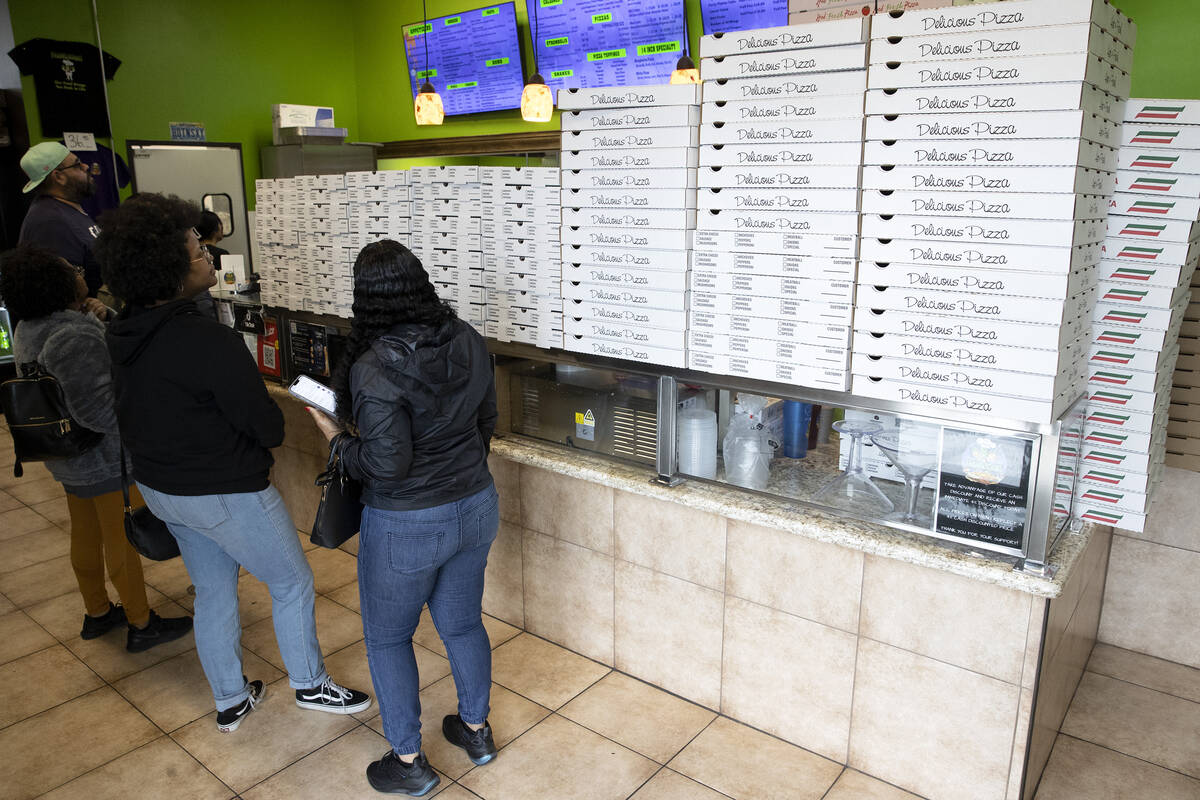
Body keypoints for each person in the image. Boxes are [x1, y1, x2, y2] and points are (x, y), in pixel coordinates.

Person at [96, 193, 371, 733]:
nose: (208, 257)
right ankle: (312, 686)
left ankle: (230, 698)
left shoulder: (122, 334)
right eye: (197, 250)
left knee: (214, 590)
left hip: (161, 489)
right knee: (291, 582)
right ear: (171, 273)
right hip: (225, 491)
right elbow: (265, 427)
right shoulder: (207, 341)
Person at [308, 239, 500, 796]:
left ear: (366, 300)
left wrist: (334, 436)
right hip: (476, 505)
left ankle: (410, 761)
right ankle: (475, 731)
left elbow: (386, 467)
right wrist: (457, 473)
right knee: (463, 623)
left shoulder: (373, 367)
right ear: (420, 282)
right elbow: (486, 421)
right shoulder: (466, 337)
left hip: (408, 524)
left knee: (389, 639)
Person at [0, 244, 193, 652]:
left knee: (86, 533)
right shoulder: (72, 334)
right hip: (103, 459)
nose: (77, 268)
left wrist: (100, 319)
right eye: (68, 266)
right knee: (124, 535)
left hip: (65, 454)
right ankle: (142, 623)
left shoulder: (30, 327)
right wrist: (141, 427)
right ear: (55, 283)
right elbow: (96, 408)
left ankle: (98, 611)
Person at [18, 142, 103, 299]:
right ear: (59, 177)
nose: (85, 166)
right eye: (77, 165)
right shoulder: (49, 223)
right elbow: (62, 294)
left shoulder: (67, 207)